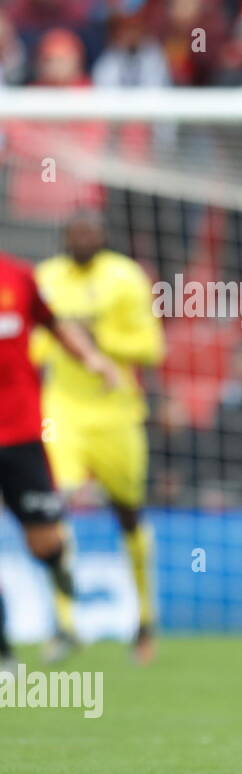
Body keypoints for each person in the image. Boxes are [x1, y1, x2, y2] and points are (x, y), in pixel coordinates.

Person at [33, 210, 165, 665]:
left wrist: (99, 338)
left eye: (90, 232)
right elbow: (35, 343)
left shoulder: (125, 278)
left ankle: (145, 622)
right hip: (62, 409)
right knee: (56, 503)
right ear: (64, 237)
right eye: (74, 233)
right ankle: (65, 624)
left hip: (116, 410)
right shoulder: (46, 278)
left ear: (103, 237)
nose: (82, 239)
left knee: (127, 512)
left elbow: (151, 347)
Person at [0, 251, 118, 676]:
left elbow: (56, 324)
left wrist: (92, 358)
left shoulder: (18, 276)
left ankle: (57, 566)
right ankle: (3, 650)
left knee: (44, 540)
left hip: (20, 433)